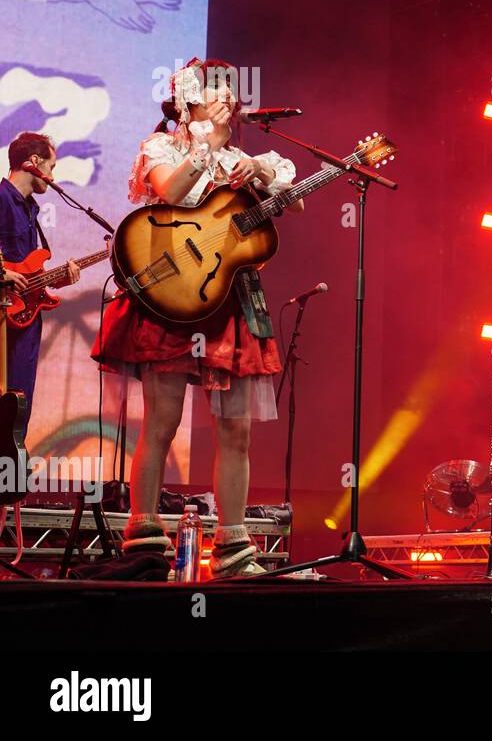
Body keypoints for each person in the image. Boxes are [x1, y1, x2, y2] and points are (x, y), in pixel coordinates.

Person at [92, 59, 302, 578]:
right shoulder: (160, 147)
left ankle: (233, 551)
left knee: (236, 432)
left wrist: (260, 171)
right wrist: (205, 143)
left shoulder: (242, 158)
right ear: (189, 103)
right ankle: (144, 540)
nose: (228, 101)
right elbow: (169, 190)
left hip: (226, 299)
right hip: (174, 298)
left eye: (231, 94)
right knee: (162, 424)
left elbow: (291, 203)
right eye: (216, 93)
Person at [0, 133, 81, 438]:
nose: (52, 176)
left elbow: (26, 268)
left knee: (18, 405)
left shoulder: (30, 208)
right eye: (52, 166)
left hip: (25, 321)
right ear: (34, 162)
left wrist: (55, 279)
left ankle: (8, 473)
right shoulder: (1, 198)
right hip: (3, 319)